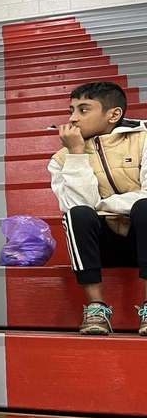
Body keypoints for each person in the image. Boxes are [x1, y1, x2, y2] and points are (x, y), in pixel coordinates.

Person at [48, 82, 147, 335]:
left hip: (141, 237)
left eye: (83, 110)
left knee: (145, 207)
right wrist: (77, 153)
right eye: (71, 110)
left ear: (113, 114)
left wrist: (103, 205)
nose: (72, 119)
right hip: (102, 246)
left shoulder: (144, 138)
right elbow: (77, 205)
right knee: (77, 215)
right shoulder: (61, 158)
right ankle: (96, 307)